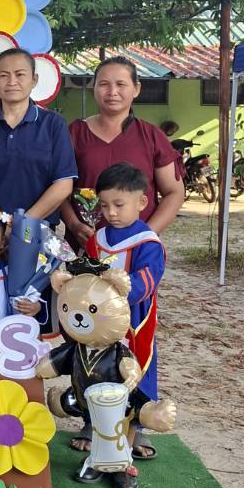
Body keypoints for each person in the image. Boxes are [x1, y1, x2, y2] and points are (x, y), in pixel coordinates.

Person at [71, 162, 167, 470]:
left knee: (134, 371)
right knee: (94, 369)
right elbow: (86, 272)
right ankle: (91, 423)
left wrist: (119, 285)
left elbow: (146, 282)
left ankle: (132, 433)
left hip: (133, 322)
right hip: (97, 321)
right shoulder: (98, 238)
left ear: (142, 202)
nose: (111, 212)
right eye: (104, 206)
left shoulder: (147, 242)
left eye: (119, 205)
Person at [60, 57, 185, 247]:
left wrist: (144, 235)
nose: (112, 92)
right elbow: (58, 190)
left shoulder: (151, 136)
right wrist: (74, 225)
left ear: (136, 88)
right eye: (104, 84)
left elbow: (174, 192)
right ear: (94, 88)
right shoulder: (74, 134)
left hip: (137, 251)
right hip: (85, 247)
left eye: (121, 84)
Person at [0, 48, 77, 222]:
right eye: (3, 75)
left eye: (20, 74)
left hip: (37, 229)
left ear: (34, 80)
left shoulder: (53, 124)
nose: (12, 82)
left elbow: (63, 184)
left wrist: (21, 224)